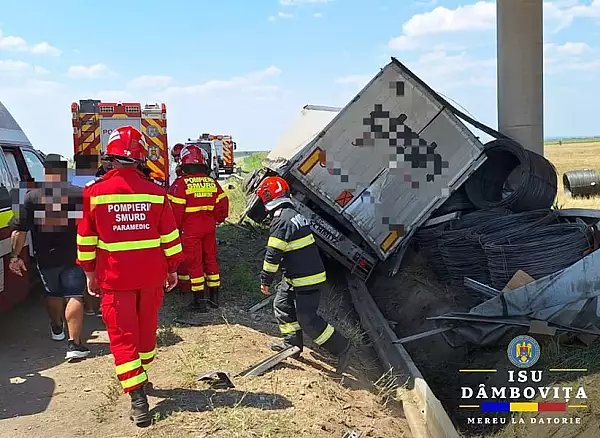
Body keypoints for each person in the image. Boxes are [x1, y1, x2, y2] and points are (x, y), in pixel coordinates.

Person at [76, 125, 183, 427]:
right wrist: (173, 268)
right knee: (146, 332)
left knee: (123, 338)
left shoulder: (94, 194)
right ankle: (142, 378)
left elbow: (85, 239)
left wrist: (89, 274)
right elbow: (170, 238)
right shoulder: (157, 193)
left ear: (111, 158)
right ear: (139, 159)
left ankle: (138, 398)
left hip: (114, 279)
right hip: (151, 277)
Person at [255, 176, 353, 375]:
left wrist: (265, 280)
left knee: (307, 319)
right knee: (282, 305)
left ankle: (342, 347)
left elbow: (273, 254)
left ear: (268, 198)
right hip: (297, 276)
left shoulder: (281, 220)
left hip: (306, 279)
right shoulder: (292, 214)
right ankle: (292, 345)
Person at [9, 153, 91, 361]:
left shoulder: (32, 197)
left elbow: (20, 231)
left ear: (46, 172)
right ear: (63, 172)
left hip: (46, 256)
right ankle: (75, 344)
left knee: (52, 292)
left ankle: (57, 328)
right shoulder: (79, 194)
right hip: (75, 254)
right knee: (74, 294)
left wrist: (15, 256)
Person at [168, 144, 228, 312]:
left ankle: (199, 301)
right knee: (210, 260)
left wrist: (175, 230)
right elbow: (222, 205)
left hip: (190, 230)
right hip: (209, 228)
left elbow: (174, 213)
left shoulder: (180, 184)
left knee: (194, 263)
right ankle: (214, 298)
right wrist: (217, 219)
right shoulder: (212, 183)